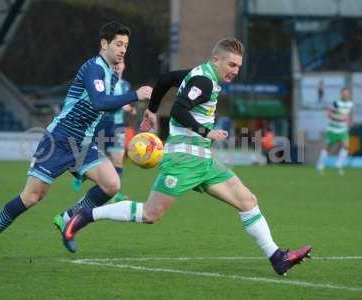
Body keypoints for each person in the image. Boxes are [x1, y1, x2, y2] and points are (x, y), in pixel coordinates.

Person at [63, 38, 312, 276]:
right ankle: (86, 215)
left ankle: (277, 257)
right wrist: (207, 131)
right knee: (151, 214)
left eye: (238, 66)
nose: (235, 71)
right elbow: (179, 109)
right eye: (231, 64)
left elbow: (167, 79)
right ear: (216, 60)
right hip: (183, 158)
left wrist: (151, 110)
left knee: (247, 200)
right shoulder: (203, 81)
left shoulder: (201, 73)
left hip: (202, 160)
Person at [0, 21, 153, 261]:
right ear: (104, 44)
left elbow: (101, 108)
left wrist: (142, 108)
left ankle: (68, 218)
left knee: (111, 184)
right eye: (118, 44)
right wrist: (135, 95)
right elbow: (99, 102)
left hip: (82, 143)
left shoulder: (110, 73)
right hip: (58, 140)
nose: (123, 49)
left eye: (126, 45)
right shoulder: (94, 68)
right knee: (32, 197)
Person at [52, 60, 136, 244]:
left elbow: (122, 100)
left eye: (123, 64)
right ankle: (79, 178)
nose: (120, 65)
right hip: (101, 125)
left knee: (118, 160)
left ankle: (113, 191)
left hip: (118, 126)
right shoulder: (104, 80)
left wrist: (130, 107)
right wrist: (125, 103)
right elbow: (103, 101)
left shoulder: (125, 85)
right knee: (87, 157)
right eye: (118, 63)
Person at [316, 87, 353, 175]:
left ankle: (338, 166)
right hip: (332, 129)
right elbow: (329, 114)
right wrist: (340, 118)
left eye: (346, 93)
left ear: (349, 94)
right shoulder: (336, 103)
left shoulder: (350, 104)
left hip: (342, 130)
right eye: (343, 93)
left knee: (346, 146)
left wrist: (349, 121)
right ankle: (320, 167)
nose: (345, 95)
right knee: (327, 148)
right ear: (341, 94)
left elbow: (348, 115)